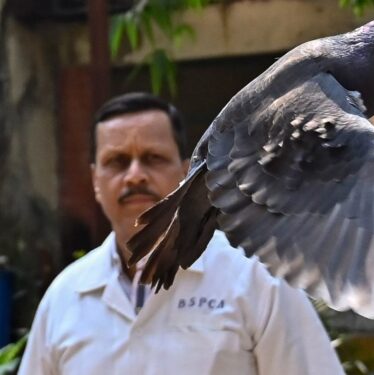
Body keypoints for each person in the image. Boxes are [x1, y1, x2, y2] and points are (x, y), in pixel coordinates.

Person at [18, 93, 344, 374]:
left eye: (153, 158)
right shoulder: (65, 297)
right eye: (117, 161)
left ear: (186, 172)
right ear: (95, 180)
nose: (134, 176)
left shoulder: (257, 280)